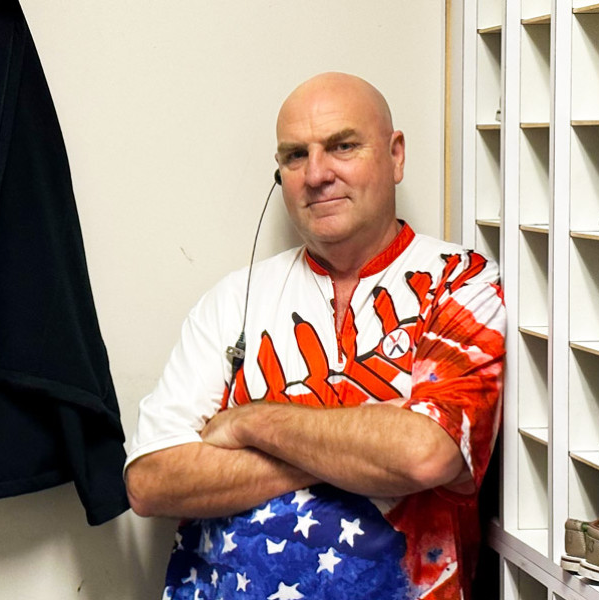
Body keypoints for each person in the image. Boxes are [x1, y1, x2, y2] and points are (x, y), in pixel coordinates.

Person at [123, 72, 507, 599]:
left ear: (395, 156)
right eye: (295, 156)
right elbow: (151, 481)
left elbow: (426, 454)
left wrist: (249, 421)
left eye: (342, 146)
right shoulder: (236, 298)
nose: (317, 173)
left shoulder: (460, 281)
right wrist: (362, 451)